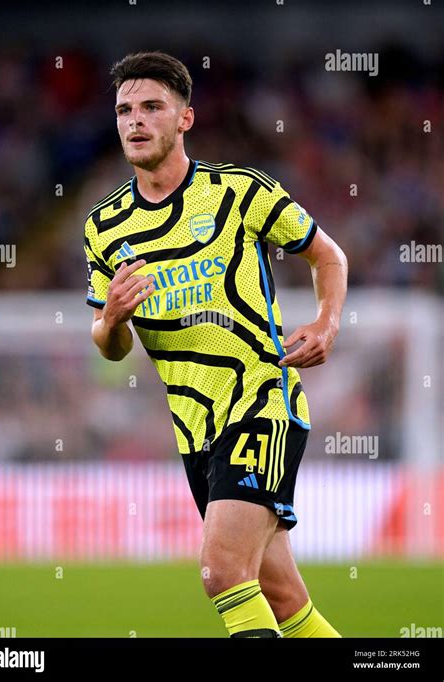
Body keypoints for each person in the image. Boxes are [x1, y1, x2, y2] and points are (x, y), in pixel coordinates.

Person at [84, 51, 347, 638]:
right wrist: (114, 321)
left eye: (152, 107)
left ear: (185, 119)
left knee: (222, 572)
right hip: (194, 428)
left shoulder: (237, 192)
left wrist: (326, 323)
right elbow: (109, 345)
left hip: (260, 402)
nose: (135, 120)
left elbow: (327, 254)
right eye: (125, 109)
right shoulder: (104, 227)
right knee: (280, 597)